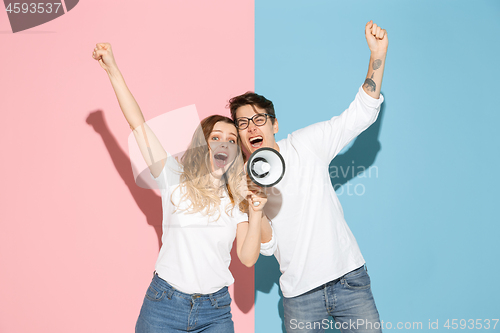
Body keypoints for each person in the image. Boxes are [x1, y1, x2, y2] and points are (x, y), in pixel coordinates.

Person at [92, 42, 275, 333]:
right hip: (164, 304)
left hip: (215, 311)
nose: (224, 143)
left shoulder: (237, 197)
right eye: (216, 137)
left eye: (231, 139)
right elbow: (137, 125)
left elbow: (248, 257)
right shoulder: (174, 176)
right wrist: (113, 70)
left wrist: (255, 214)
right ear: (203, 144)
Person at [229, 21, 388, 332]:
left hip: (348, 279)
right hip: (299, 295)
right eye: (242, 123)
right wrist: (256, 205)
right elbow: (267, 246)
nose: (251, 127)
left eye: (258, 118)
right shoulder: (241, 182)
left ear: (274, 125)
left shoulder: (305, 144)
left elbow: (360, 114)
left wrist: (377, 55)